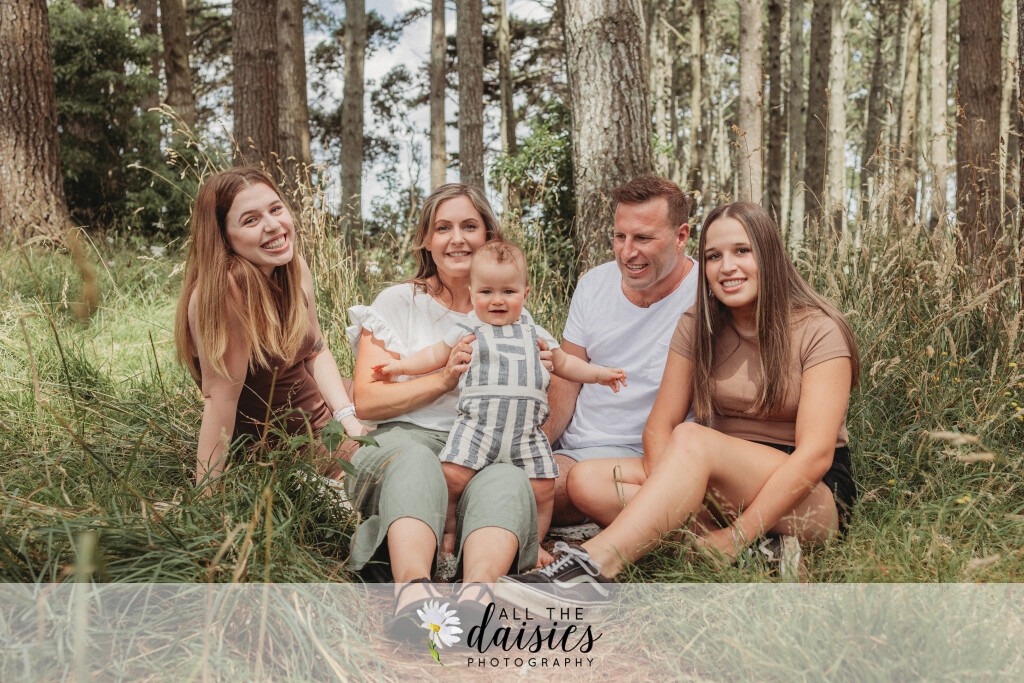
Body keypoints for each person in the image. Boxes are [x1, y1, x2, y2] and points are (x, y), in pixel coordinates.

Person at [498, 201, 860, 608]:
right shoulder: (698, 325)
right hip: (720, 480)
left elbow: (815, 456)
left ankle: (591, 569)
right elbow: (658, 425)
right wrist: (669, 492)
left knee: (691, 438)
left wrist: (736, 533)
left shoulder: (819, 329)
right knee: (585, 481)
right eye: (714, 256)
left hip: (811, 494)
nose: (727, 267)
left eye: (742, 251)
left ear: (769, 254)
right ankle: (763, 553)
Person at [345, 184, 546, 640]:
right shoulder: (397, 302)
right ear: (426, 240)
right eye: (443, 228)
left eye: (469, 226)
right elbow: (367, 401)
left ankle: (477, 595)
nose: (457, 238)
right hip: (400, 441)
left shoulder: (509, 310)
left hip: (477, 450)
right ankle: (413, 591)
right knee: (417, 462)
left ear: (488, 236)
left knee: (507, 479)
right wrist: (443, 379)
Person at [373, 239, 626, 565]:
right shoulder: (468, 329)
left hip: (526, 435)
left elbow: (566, 364)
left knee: (543, 490)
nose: (497, 300)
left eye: (508, 291)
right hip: (477, 430)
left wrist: (599, 374)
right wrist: (401, 366)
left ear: (525, 293)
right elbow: (434, 355)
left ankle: (533, 543)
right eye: (486, 292)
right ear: (472, 293)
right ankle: (448, 532)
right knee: (451, 478)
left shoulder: (536, 333)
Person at [173, 167, 367, 490]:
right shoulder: (228, 292)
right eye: (251, 220)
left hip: (332, 403)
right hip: (296, 443)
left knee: (427, 414)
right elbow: (219, 401)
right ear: (223, 237)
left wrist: (347, 417)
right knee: (409, 469)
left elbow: (315, 350)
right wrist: (208, 498)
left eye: (276, 209)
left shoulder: (292, 267)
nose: (273, 225)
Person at [543, 175, 699, 529]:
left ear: (681, 237)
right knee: (497, 479)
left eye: (643, 238)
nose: (627, 253)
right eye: (619, 236)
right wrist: (532, 447)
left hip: (648, 455)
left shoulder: (706, 294)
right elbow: (567, 380)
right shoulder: (593, 284)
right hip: (575, 448)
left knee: (539, 490)